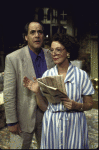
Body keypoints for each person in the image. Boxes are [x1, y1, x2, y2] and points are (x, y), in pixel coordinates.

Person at [23, 33, 95, 149]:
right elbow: (45, 107)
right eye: (51, 50)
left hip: (74, 123)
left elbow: (90, 104)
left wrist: (77, 105)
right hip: (52, 123)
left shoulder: (81, 75)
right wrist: (36, 92)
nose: (54, 53)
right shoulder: (47, 75)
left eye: (58, 50)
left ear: (68, 52)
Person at [3, 20, 55, 149]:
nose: (37, 35)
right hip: (21, 118)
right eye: (32, 32)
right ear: (26, 37)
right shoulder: (13, 58)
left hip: (47, 116)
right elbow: (9, 93)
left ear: (43, 36)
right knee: (16, 148)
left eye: (40, 32)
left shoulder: (51, 56)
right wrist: (11, 121)